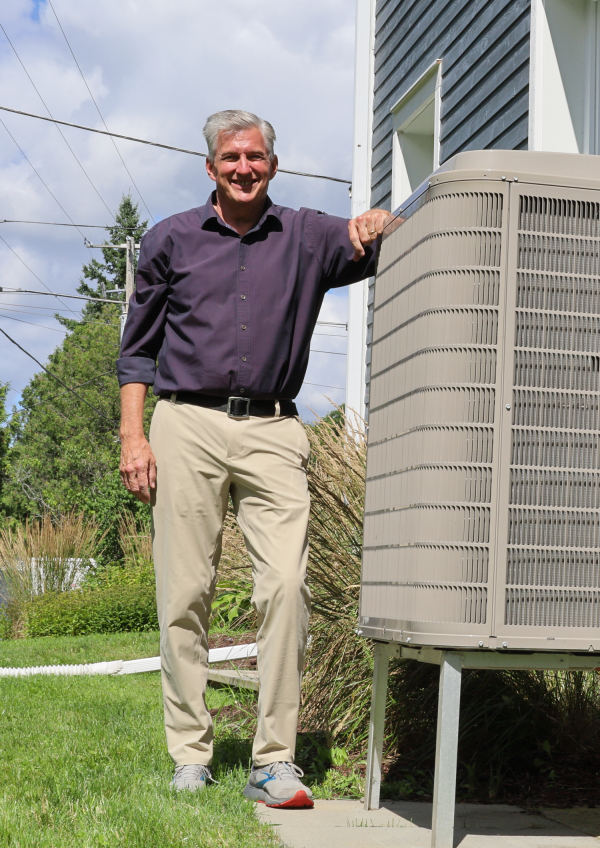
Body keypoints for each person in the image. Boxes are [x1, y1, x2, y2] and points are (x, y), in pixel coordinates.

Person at [117, 110, 390, 808]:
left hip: (274, 430)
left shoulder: (306, 234)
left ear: (273, 164)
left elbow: (366, 236)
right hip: (186, 424)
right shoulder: (169, 239)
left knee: (285, 591)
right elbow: (137, 350)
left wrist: (375, 223)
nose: (245, 167)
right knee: (183, 593)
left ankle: (274, 761)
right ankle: (190, 754)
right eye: (231, 157)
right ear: (210, 168)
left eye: (257, 156)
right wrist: (134, 436)